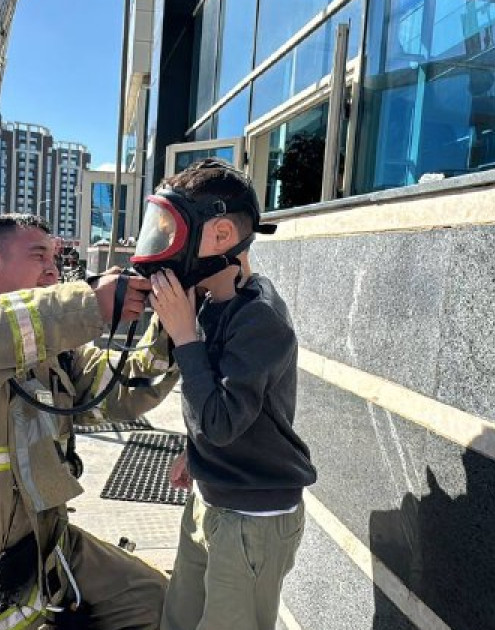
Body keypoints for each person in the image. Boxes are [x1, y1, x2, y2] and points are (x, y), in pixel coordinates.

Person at [0, 213, 180, 630]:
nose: (53, 269)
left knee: (159, 601)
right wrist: (89, 304)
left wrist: (173, 320)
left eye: (55, 258)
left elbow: (129, 383)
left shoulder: (54, 358)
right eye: (38, 255)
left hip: (46, 554)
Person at [138, 159, 317, 630]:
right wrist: (192, 451)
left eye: (171, 232)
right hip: (213, 498)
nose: (160, 248)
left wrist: (184, 337)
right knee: (179, 620)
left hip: (254, 518)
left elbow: (220, 423)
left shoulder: (259, 317)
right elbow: (216, 405)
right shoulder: (214, 302)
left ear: (219, 236)